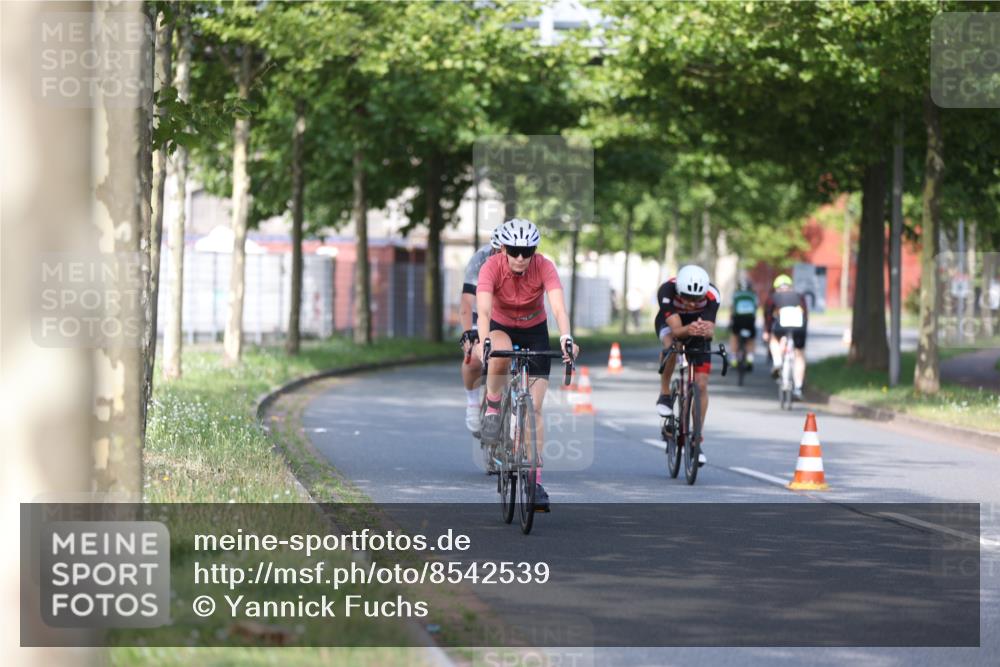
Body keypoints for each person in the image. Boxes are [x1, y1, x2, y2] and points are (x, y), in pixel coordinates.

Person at [471, 218, 579, 513]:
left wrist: (566, 337)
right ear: (504, 248)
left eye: (527, 251)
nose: (521, 257)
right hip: (501, 326)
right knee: (500, 350)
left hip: (535, 329)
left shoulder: (543, 266)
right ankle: (493, 406)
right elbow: (482, 309)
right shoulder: (491, 267)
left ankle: (535, 481)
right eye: (515, 250)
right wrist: (483, 341)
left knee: (536, 408)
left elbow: (557, 306)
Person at [653, 265, 720, 466]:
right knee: (672, 346)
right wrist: (690, 329)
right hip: (671, 325)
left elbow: (710, 331)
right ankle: (665, 393)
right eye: (687, 298)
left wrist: (704, 330)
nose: (691, 303)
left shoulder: (712, 294)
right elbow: (676, 331)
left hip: (696, 328)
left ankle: (696, 439)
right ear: (679, 292)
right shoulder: (666, 291)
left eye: (696, 299)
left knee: (701, 384)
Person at [459, 225, 505, 433]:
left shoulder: (521, 260)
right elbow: (467, 304)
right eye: (498, 250)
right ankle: (472, 403)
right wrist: (468, 333)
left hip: (507, 315)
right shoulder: (480, 260)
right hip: (481, 313)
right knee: (474, 360)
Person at [763, 274, 809, 400]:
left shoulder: (774, 297)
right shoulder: (800, 296)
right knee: (799, 355)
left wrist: (766, 331)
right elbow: (805, 314)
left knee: (773, 338)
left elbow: (768, 316)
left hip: (781, 327)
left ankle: (777, 362)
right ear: (790, 286)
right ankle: (798, 388)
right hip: (800, 327)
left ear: (776, 288)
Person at [728, 278, 759, 371]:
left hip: (738, 319)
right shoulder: (753, 295)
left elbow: (731, 308)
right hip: (750, 320)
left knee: (734, 336)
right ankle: (750, 358)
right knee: (751, 339)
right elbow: (756, 308)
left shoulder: (735, 294)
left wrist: (730, 321)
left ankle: (733, 358)